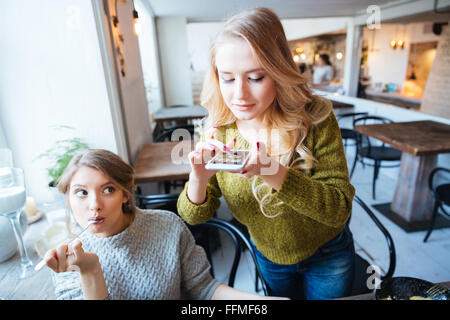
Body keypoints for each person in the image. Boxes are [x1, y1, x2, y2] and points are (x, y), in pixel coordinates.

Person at [177, 8, 356, 300]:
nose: (240, 96)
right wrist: (197, 179)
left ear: (279, 71)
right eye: (228, 79)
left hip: (328, 253)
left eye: (256, 77)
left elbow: (338, 208)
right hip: (269, 256)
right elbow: (193, 217)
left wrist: (271, 170)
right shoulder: (219, 128)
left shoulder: (316, 118)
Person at [41, 149, 285, 300]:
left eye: (108, 189)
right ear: (68, 198)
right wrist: (90, 271)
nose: (94, 205)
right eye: (81, 193)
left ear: (125, 194)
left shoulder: (167, 226)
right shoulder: (66, 259)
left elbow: (204, 290)